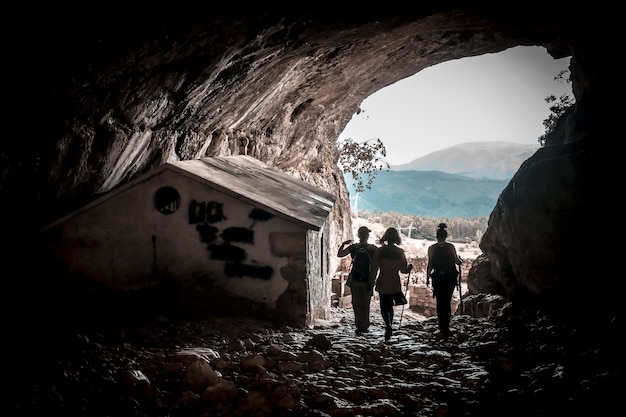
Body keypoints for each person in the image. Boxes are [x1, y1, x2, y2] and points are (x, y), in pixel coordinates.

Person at [369, 227, 413, 341]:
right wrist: (409, 268)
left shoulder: (380, 251)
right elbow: (403, 270)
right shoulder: (400, 252)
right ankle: (390, 324)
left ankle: (387, 324)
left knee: (384, 305)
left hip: (383, 280)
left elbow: (374, 267)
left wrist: (371, 281)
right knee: (390, 305)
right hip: (394, 281)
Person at [337, 226, 378, 335]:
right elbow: (378, 262)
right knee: (366, 303)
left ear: (358, 235)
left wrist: (343, 244)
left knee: (356, 303)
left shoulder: (354, 247)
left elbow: (339, 254)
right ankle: (365, 324)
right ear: (367, 236)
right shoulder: (373, 248)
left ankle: (359, 325)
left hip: (355, 279)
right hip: (367, 279)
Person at [426, 223, 462, 339]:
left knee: (440, 302)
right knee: (447, 301)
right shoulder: (450, 247)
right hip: (450, 278)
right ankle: (446, 326)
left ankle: (441, 326)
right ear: (446, 236)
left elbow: (430, 264)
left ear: (437, 236)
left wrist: (427, 277)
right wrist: (460, 260)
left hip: (437, 278)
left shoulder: (432, 248)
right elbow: (457, 262)